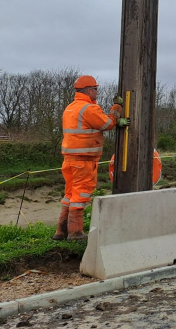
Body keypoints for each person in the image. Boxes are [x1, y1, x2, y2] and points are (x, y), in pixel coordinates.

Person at [53, 75, 127, 241]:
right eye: (95, 89)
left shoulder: (70, 108)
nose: (97, 92)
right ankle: (75, 232)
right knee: (81, 195)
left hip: (69, 159)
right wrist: (117, 108)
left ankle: (61, 231)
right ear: (88, 90)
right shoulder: (89, 109)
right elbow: (107, 124)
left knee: (69, 194)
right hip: (84, 161)